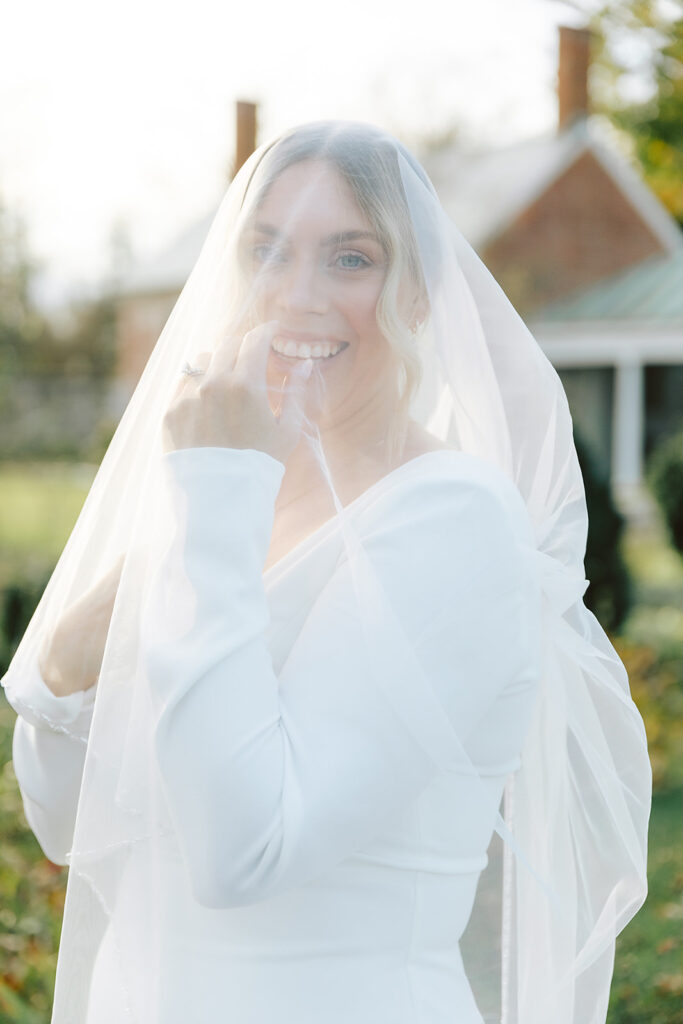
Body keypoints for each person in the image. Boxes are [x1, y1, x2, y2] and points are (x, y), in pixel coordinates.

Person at [2, 120, 651, 1024]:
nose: (296, 295)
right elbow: (71, 824)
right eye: (267, 251)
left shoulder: (454, 521)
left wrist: (215, 500)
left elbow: (245, 851)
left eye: (351, 259)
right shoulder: (228, 502)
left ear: (420, 293)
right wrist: (73, 654)